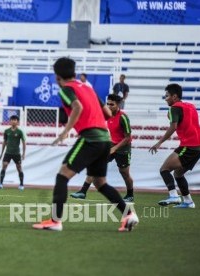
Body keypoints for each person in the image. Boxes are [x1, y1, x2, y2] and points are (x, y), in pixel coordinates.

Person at [32, 57, 138, 232]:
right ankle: (128, 214)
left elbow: (77, 107)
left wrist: (66, 131)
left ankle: (55, 221)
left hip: (90, 138)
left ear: (57, 77)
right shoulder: (88, 88)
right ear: (74, 73)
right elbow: (107, 113)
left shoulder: (66, 89)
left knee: (62, 176)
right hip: (105, 139)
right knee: (100, 183)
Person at [149, 84, 200, 208]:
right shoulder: (191, 106)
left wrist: (159, 143)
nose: (166, 99)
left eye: (167, 96)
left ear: (174, 96)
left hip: (190, 146)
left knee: (164, 169)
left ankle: (174, 196)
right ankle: (188, 202)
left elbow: (173, 127)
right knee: (178, 175)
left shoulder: (174, 108)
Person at [70, 94, 134, 202]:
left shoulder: (123, 117)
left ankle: (130, 195)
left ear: (118, 104)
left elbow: (128, 138)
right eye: (107, 103)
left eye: (112, 104)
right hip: (111, 145)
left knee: (124, 173)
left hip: (123, 148)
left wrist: (115, 149)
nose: (109, 106)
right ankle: (82, 191)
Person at [0, 115, 26, 191]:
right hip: (8, 152)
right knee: (4, 165)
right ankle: (0, 184)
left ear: (18, 122)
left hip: (16, 153)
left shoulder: (20, 132)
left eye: (15, 120)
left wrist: (23, 154)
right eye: (12, 120)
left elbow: (23, 143)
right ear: (10, 121)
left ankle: (21, 184)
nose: (13, 121)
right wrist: (1, 153)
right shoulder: (6, 131)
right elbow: (4, 142)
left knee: (19, 168)